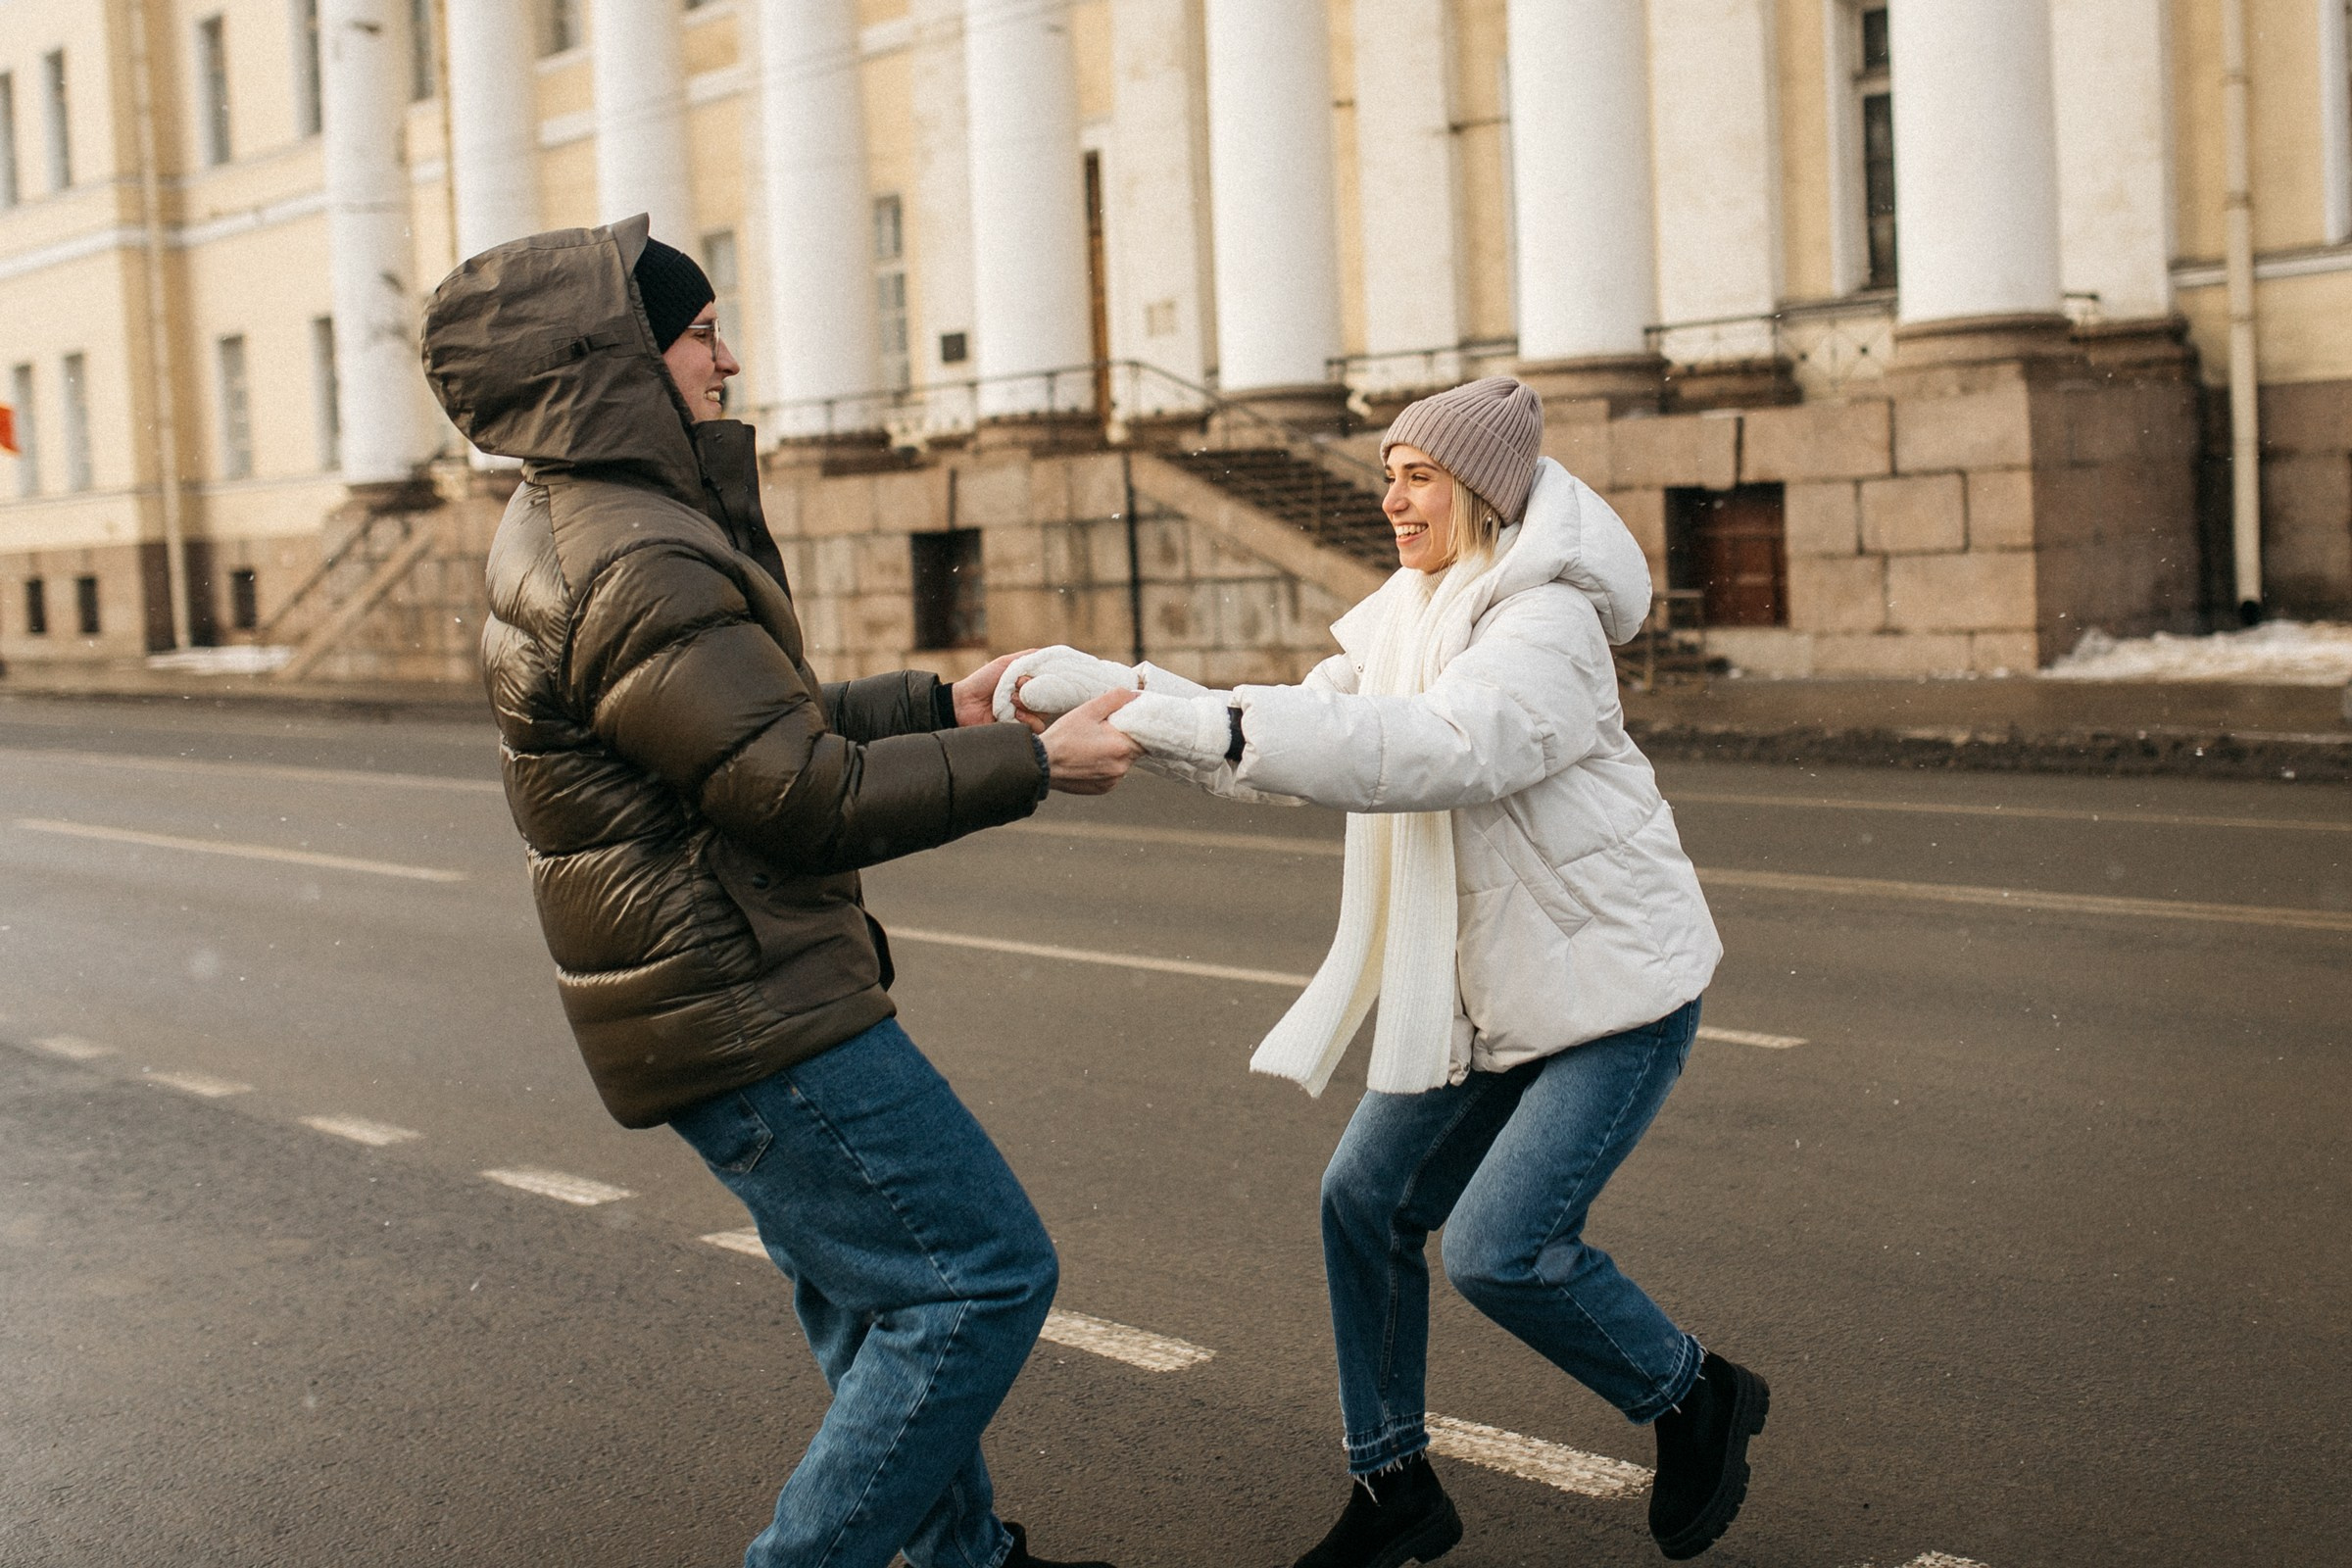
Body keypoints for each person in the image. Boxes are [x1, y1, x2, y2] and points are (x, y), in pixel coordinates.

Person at [419, 215, 1137, 1568]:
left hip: (716, 994)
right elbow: (797, 797)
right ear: (614, 355)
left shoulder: (597, 516)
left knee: (884, 1304)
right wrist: (1027, 760)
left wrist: (941, 703)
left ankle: (960, 1562)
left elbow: (751, 730)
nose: (728, 357)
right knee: (981, 1279)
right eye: (700, 333)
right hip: (749, 999)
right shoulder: (634, 551)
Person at [1002, 377, 1768, 1564]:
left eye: (1416, 475)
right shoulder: (1409, 615)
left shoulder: (1546, 622)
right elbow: (1272, 732)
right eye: (1389, 473)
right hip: (1478, 988)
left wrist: (1235, 729)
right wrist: (1093, 687)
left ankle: (1694, 1393)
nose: (1391, 498)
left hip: (1613, 993)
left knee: (1499, 1251)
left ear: (1480, 489)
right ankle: (1393, 1487)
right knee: (1361, 1203)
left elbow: (1437, 751)